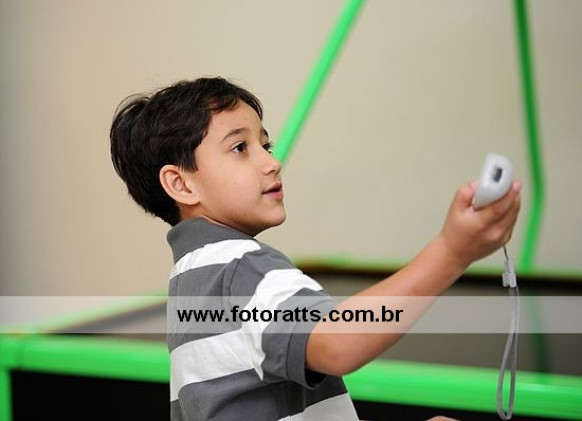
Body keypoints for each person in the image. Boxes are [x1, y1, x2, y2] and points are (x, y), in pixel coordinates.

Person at [110, 77, 521, 421]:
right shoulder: (241, 268)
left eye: (266, 146)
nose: (272, 162)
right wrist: (452, 251)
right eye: (240, 148)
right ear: (181, 184)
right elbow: (338, 343)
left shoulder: (192, 278)